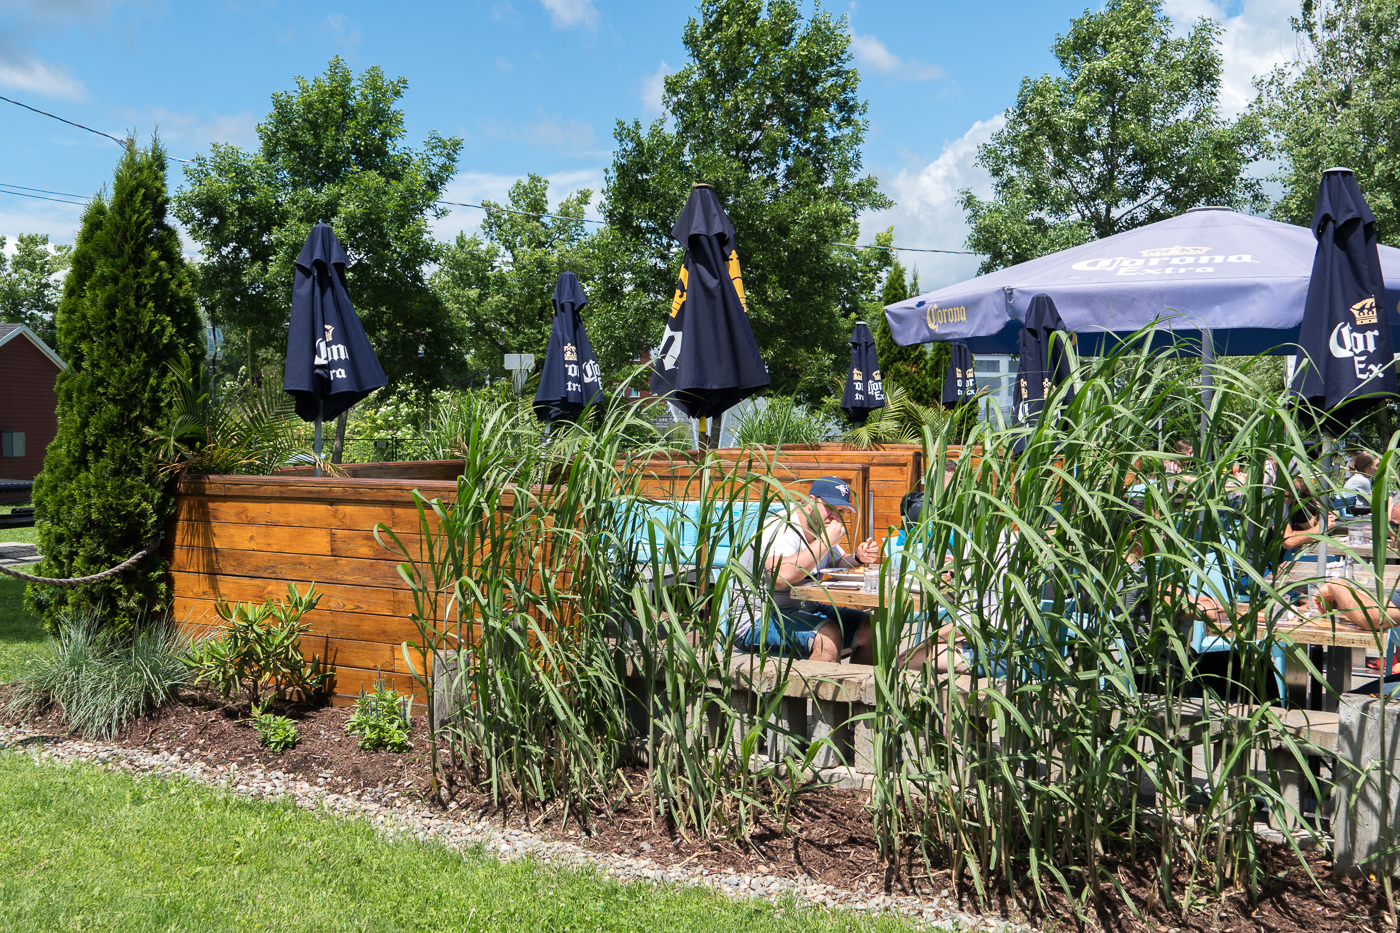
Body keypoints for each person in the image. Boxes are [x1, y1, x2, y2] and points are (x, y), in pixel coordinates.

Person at [729, 477, 881, 663]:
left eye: (841, 511)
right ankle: (812, 693)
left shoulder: (819, 530)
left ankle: (857, 689)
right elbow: (781, 577)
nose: (835, 516)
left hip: (804, 610)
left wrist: (858, 557)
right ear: (810, 502)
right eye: (830, 507)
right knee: (827, 637)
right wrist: (826, 542)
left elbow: (838, 563)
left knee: (871, 627)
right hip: (757, 618)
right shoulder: (782, 526)